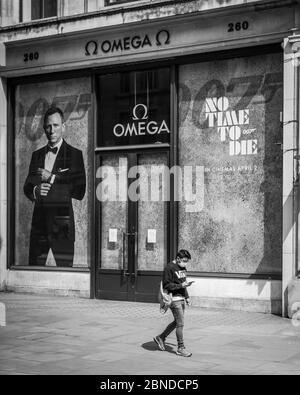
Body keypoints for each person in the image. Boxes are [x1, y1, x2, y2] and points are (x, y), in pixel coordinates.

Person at [24, 106, 86, 267]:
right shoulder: (36, 155)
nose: (52, 130)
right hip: (39, 228)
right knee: (33, 274)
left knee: (65, 274)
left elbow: (80, 190)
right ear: (44, 128)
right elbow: (27, 186)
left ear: (63, 127)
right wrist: (36, 191)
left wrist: (52, 177)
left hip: (62, 228)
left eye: (56, 125)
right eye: (48, 126)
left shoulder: (74, 154)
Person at [154, 249, 193, 357]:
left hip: (181, 298)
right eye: (184, 260)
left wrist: (187, 296)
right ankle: (181, 348)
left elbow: (182, 282)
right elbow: (167, 285)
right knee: (180, 323)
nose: (185, 263)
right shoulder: (169, 268)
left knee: (177, 322)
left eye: (187, 261)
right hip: (173, 299)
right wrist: (181, 286)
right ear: (178, 258)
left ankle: (161, 337)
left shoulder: (182, 267)